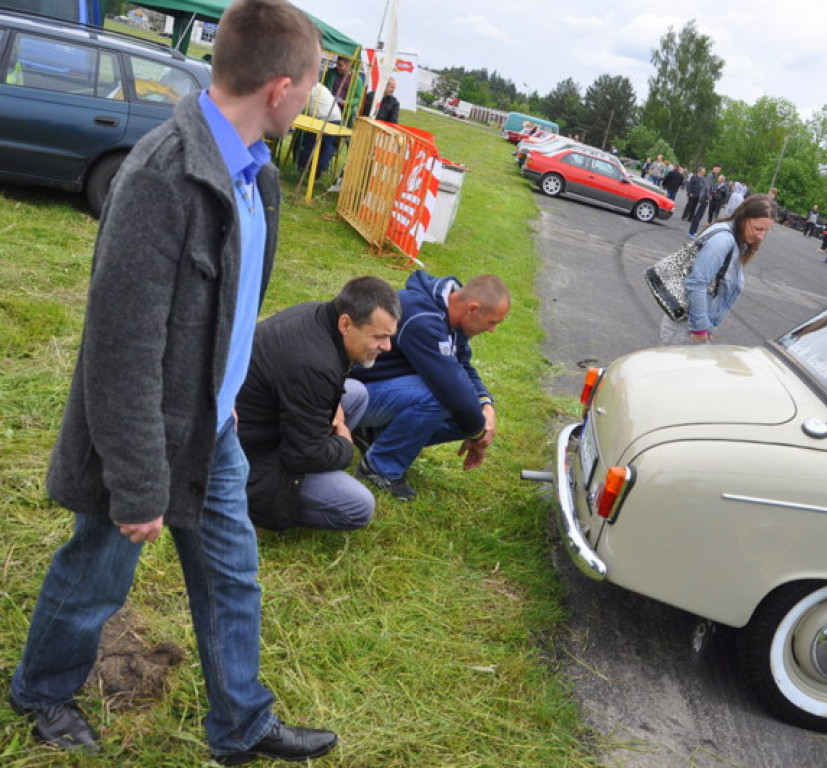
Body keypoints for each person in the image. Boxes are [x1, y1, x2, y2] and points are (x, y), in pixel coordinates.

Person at [7, 1, 339, 764]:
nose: (313, 101)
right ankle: (40, 690)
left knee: (233, 580)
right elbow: (118, 349)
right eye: (314, 86)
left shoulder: (256, 174)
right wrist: (135, 484)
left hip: (212, 427)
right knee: (95, 574)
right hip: (145, 437)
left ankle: (242, 724)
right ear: (281, 87)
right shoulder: (164, 175)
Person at [236, 277, 400, 532]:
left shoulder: (318, 314)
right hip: (255, 455)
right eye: (379, 336)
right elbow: (302, 455)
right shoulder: (313, 365)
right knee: (359, 506)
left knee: (357, 395)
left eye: (389, 337)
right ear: (346, 323)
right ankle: (253, 512)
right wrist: (344, 444)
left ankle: (317, 464)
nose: (387, 347)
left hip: (268, 421)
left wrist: (329, 406)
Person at [350, 272, 510, 501]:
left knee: (470, 412)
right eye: (493, 322)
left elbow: (462, 367)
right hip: (353, 396)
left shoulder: (452, 317)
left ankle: (378, 437)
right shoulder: (422, 319)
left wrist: (486, 405)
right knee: (443, 398)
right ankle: (379, 468)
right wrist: (478, 435)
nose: (493, 329)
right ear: (472, 309)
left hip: (381, 391)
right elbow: (452, 389)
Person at [660, 194, 778, 345]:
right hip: (686, 328)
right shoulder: (722, 240)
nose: (761, 236)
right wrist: (700, 329)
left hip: (691, 326)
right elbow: (696, 282)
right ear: (743, 217)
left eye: (765, 231)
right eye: (758, 229)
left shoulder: (736, 240)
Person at [296, 74, 342, 181]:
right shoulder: (321, 87)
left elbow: (302, 105)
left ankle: (304, 166)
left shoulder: (310, 89)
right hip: (336, 118)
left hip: (324, 119)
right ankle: (318, 169)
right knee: (326, 146)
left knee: (311, 142)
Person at [688, 164, 722, 237]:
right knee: (698, 215)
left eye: (719, 169)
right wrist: (709, 197)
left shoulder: (712, 176)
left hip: (704, 198)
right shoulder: (710, 176)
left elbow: (710, 187)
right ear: (714, 168)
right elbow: (707, 187)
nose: (719, 171)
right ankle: (691, 232)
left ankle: (693, 231)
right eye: (718, 169)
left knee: (699, 215)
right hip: (704, 198)